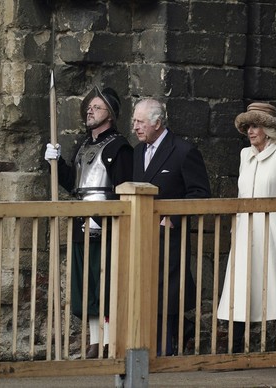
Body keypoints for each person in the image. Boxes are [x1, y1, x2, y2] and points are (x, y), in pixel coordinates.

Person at [44, 86, 134, 359]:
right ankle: (95, 341)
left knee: (105, 285)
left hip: (106, 224)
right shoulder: (83, 146)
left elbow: (122, 189)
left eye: (96, 107)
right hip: (82, 222)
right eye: (89, 107)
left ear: (110, 114)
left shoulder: (120, 147)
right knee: (87, 286)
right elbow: (74, 185)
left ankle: (109, 341)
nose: (89, 111)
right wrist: (56, 163)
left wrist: (103, 217)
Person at [216, 102, 276, 353]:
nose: (250, 131)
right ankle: (233, 347)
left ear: (268, 129)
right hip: (245, 232)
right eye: (247, 127)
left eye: (255, 126)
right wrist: (236, 230)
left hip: (274, 232)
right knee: (240, 286)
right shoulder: (245, 156)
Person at [131, 98, 211, 356]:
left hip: (169, 238)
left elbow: (200, 193)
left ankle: (164, 352)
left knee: (166, 297)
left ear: (157, 122)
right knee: (142, 293)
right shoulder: (136, 152)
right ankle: (151, 348)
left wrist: (172, 217)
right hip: (139, 235)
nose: (135, 127)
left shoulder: (183, 151)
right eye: (134, 121)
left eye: (140, 122)